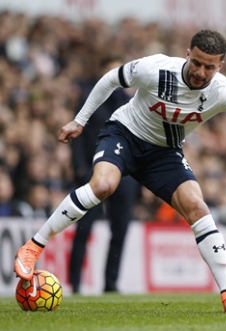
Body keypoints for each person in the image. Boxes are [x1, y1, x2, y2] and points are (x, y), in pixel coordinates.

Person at [13, 30, 226, 313]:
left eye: (210, 67)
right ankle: (32, 248)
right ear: (187, 54)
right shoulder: (156, 68)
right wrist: (79, 121)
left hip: (164, 153)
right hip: (125, 134)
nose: (201, 72)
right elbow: (110, 78)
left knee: (197, 205)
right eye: (197, 62)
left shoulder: (222, 90)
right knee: (103, 185)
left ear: (221, 67)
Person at [68, 56, 139, 294]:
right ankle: (75, 282)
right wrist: (80, 169)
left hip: (124, 173)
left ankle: (111, 283)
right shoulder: (89, 98)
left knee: (120, 229)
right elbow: (77, 135)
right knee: (84, 228)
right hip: (92, 171)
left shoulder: (131, 101)